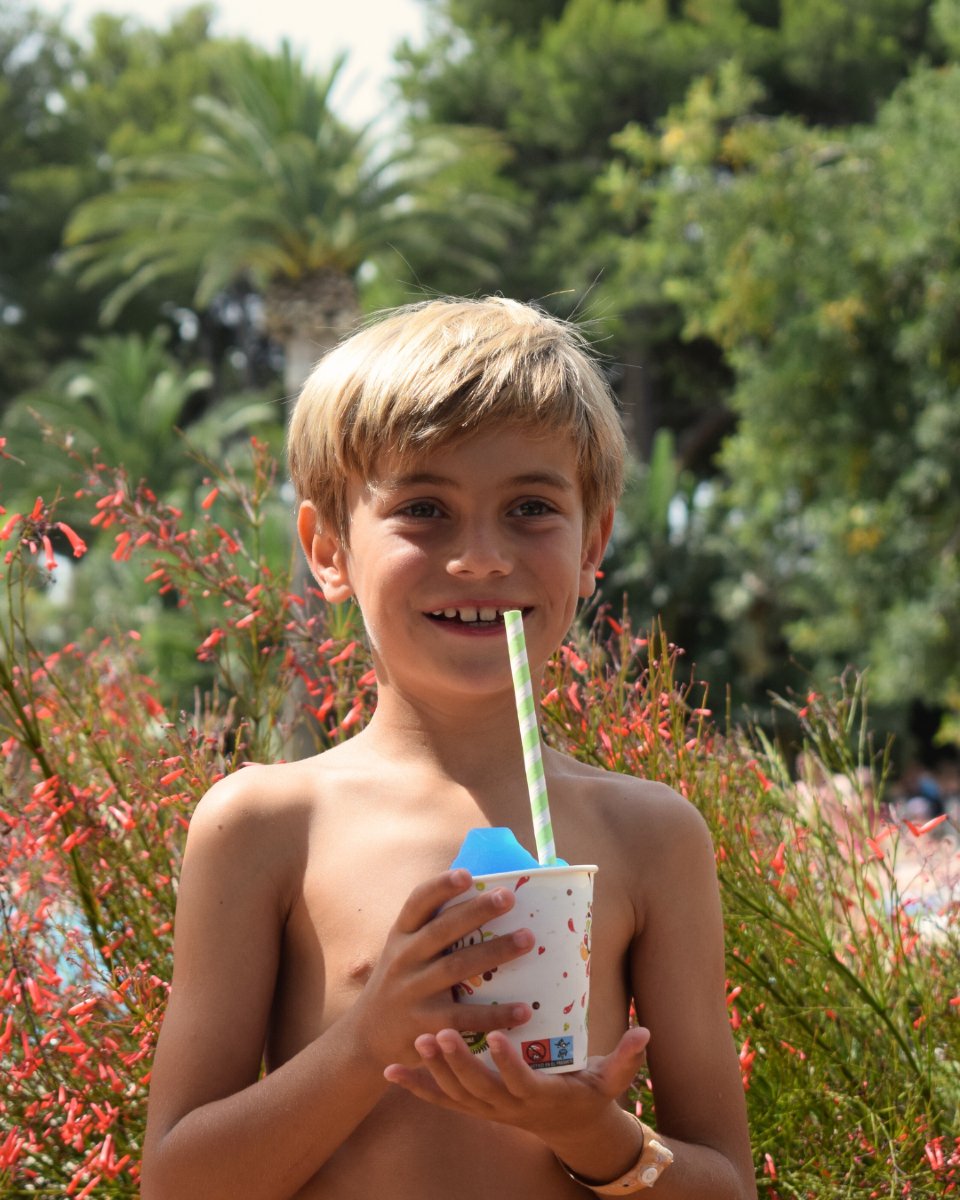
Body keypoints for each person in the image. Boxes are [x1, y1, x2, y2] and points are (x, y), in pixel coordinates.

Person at [140, 297, 756, 1200]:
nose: (478, 557)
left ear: (595, 542)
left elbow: (725, 1185)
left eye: (531, 508)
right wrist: (365, 1043)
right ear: (326, 547)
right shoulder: (267, 825)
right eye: (424, 507)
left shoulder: (651, 836)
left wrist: (595, 1135)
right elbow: (176, 1184)